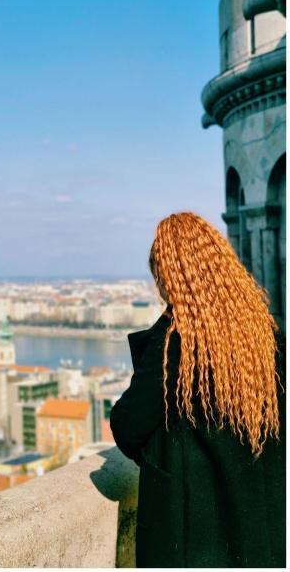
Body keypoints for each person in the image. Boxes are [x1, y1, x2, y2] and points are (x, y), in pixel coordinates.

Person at [110, 212, 286, 568]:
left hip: (192, 534)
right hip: (260, 527)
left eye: (160, 278)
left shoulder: (175, 345)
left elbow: (127, 425)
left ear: (172, 278)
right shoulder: (265, 337)